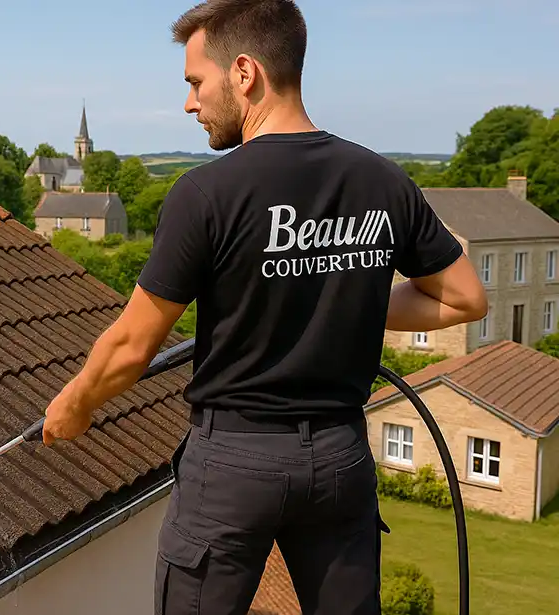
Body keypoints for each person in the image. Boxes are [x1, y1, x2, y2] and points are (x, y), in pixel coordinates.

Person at [40, 0, 488, 613]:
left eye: (196, 83)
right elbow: (465, 298)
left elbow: (130, 346)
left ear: (245, 73)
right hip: (341, 459)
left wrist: (74, 404)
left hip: (232, 464)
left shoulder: (206, 193)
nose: (190, 104)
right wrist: (342, 293)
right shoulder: (382, 180)